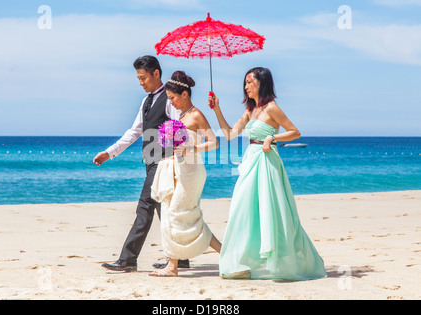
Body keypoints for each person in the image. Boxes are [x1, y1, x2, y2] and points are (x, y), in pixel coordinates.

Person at [209, 67, 327, 280]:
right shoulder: (249, 111)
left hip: (267, 162)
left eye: (249, 82)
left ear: (261, 83)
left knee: (272, 211)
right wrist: (217, 109)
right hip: (251, 161)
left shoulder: (272, 108)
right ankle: (244, 261)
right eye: (244, 83)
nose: (246, 87)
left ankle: (279, 262)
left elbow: (294, 132)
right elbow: (228, 134)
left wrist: (272, 138)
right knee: (243, 210)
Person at [93, 55, 190, 272]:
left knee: (145, 208)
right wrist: (110, 152)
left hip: (165, 162)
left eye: (143, 77)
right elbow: (135, 131)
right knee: (164, 210)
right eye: (138, 78)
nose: (140, 82)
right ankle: (181, 256)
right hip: (151, 161)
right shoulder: (146, 101)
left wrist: (178, 160)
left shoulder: (170, 98)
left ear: (156, 74)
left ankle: (128, 259)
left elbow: (181, 129)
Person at [149, 71, 221, 277]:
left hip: (192, 172)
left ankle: (173, 266)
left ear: (185, 94)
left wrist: (191, 150)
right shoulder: (181, 116)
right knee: (180, 215)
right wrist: (172, 157)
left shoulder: (196, 114)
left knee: (177, 214)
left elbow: (214, 142)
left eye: (173, 98)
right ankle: (224, 253)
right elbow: (183, 146)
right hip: (180, 170)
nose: (171, 102)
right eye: (169, 98)